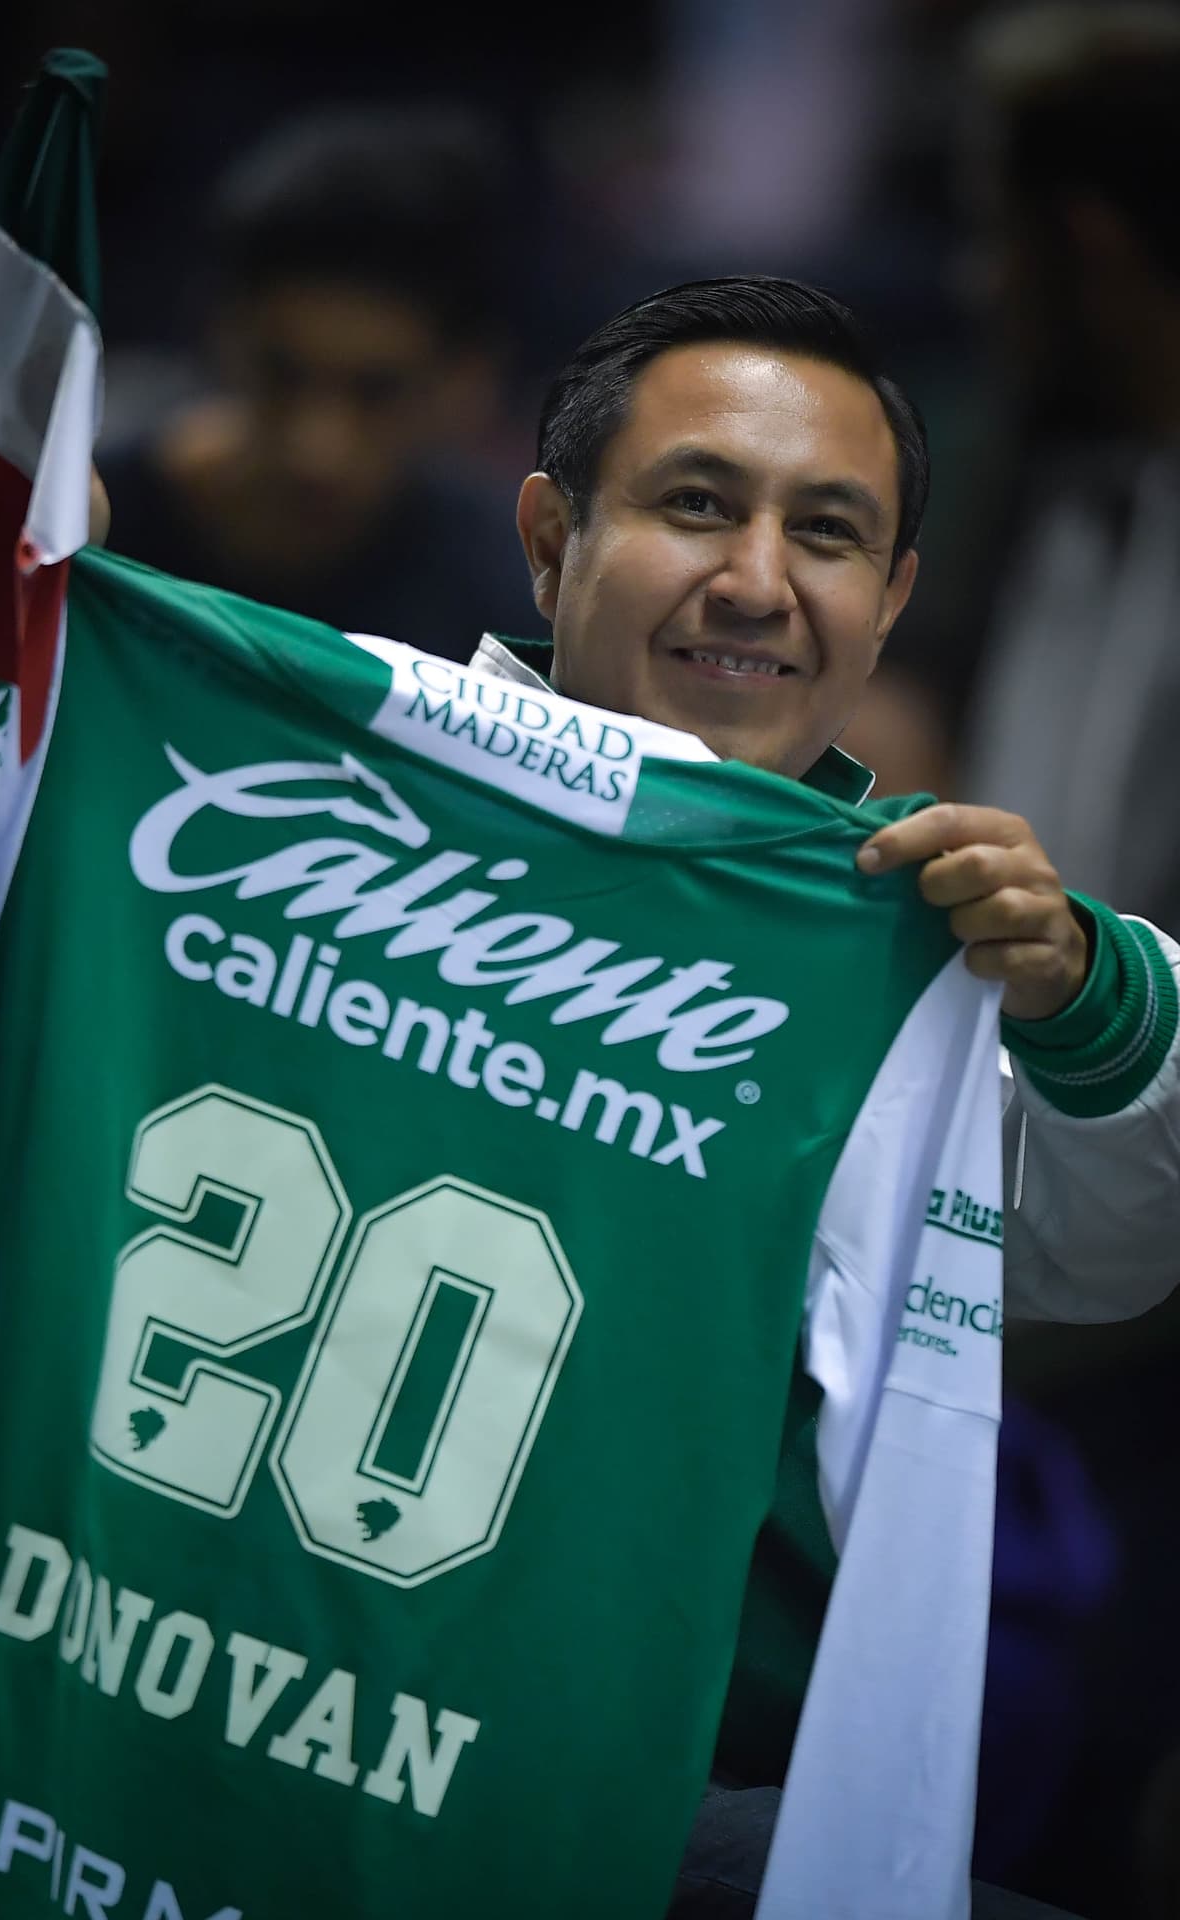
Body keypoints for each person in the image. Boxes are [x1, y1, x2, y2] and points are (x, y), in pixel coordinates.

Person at [451, 273, 1179, 1917]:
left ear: (895, 595)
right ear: (550, 537)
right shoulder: (307, 797)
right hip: (225, 1708)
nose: (759, 583)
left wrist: (1080, 993)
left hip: (689, 1803)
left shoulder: (930, 943)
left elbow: (1112, 1242)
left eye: (829, 534)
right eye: (698, 504)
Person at [96, 106, 540, 659]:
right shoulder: (79, 530)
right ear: (220, 331)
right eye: (282, 375)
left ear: (467, 380)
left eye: (377, 392)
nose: (317, 448)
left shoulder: (509, 609)